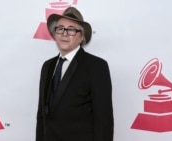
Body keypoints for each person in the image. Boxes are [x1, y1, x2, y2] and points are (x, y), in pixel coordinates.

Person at [36, 7, 114, 141]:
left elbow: (104, 121)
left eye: (71, 29)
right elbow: (42, 115)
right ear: (55, 34)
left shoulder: (96, 66)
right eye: (60, 28)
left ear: (81, 37)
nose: (64, 34)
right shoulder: (47, 66)